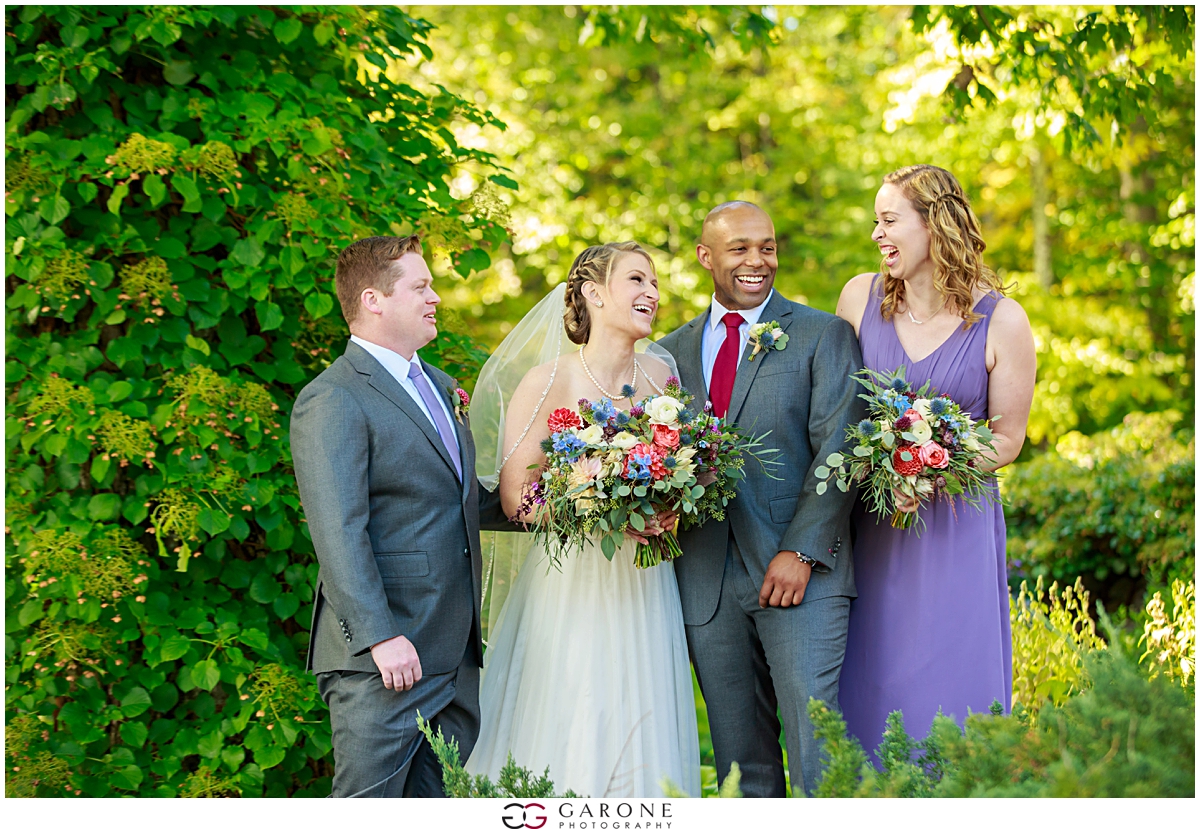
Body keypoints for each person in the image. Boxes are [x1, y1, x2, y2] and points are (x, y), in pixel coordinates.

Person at [464, 242, 701, 797]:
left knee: (642, 712)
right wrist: (602, 515)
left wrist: (667, 509)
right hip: (572, 585)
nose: (652, 293)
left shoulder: (664, 378)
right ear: (593, 294)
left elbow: (683, 471)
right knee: (573, 713)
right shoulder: (547, 381)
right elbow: (517, 499)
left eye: (656, 284)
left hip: (644, 584)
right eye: (637, 280)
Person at [658, 202, 866, 797]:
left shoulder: (822, 334)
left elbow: (841, 449)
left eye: (768, 247)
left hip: (801, 576)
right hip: (705, 579)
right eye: (740, 248)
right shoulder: (667, 354)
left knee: (817, 748)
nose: (758, 261)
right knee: (739, 763)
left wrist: (801, 553)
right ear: (705, 257)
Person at [290, 235, 507, 797]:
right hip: (384, 660)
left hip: (453, 653)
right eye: (421, 286)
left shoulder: (437, 385)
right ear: (373, 299)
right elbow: (337, 529)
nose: (435, 297)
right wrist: (380, 636)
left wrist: (564, 501)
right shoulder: (333, 398)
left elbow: (459, 499)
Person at [834, 164, 1036, 755]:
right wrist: (883, 471)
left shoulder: (1004, 321)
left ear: (934, 224)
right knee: (871, 679)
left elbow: (1007, 437)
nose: (877, 234)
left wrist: (928, 470)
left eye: (890, 220)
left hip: (955, 530)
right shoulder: (857, 298)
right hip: (872, 525)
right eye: (875, 221)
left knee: (951, 687)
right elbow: (836, 413)